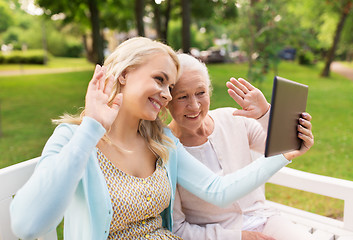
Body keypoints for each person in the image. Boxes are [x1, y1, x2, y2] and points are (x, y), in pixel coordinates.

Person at [10, 37, 312, 240]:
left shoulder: (162, 143)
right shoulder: (74, 138)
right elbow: (28, 225)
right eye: (160, 80)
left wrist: (283, 155)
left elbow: (217, 190)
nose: (166, 95)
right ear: (125, 74)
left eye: (169, 86)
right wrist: (91, 127)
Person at [167, 53, 315, 240]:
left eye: (201, 93)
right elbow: (179, 230)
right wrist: (238, 236)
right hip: (221, 235)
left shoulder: (232, 118)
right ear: (167, 99)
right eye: (182, 97)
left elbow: (280, 146)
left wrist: (265, 114)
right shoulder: (166, 149)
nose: (194, 105)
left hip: (265, 219)